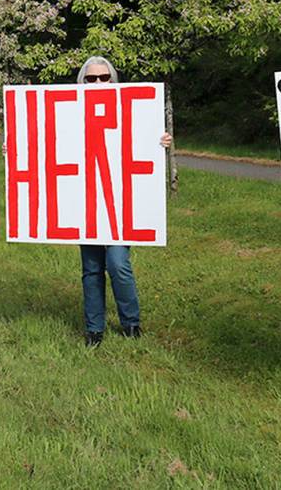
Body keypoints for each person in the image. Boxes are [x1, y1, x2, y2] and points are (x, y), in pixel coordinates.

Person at [76, 56, 171, 347]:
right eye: (91, 78)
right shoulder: (71, 112)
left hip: (119, 203)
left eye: (104, 77)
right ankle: (94, 329)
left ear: (113, 79)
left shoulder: (130, 109)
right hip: (85, 202)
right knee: (92, 268)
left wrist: (159, 142)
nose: (98, 83)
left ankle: (131, 323)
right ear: (82, 82)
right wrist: (14, 148)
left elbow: (141, 141)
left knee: (118, 263)